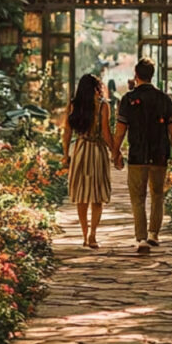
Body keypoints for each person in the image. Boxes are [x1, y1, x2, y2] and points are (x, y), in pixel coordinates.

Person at [113, 58, 172, 253]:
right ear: (152, 75)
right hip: (159, 154)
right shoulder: (163, 99)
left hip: (137, 154)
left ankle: (141, 238)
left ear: (136, 75)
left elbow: (120, 130)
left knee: (138, 197)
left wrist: (115, 151)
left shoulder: (128, 99)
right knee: (158, 195)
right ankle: (154, 234)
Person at [62, 73, 115, 248]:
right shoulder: (102, 107)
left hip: (80, 150)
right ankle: (93, 235)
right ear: (95, 88)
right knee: (97, 195)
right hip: (97, 151)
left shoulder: (73, 106)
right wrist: (116, 152)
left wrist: (65, 154)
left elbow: (67, 132)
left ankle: (85, 235)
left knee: (82, 196)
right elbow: (106, 133)